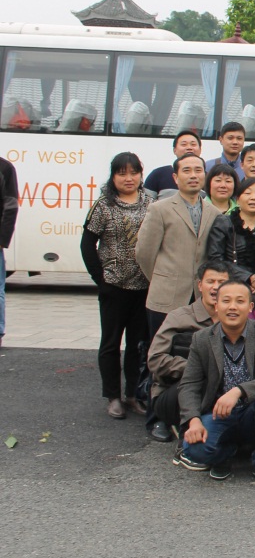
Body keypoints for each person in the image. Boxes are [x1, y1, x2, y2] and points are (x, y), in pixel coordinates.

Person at [174, 280, 255, 487]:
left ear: (250, 307)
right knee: (194, 450)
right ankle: (225, 454)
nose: (233, 307)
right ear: (216, 306)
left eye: (240, 301)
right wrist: (193, 420)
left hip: (254, 410)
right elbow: (189, 384)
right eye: (226, 301)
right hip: (219, 414)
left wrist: (239, 391)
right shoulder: (201, 339)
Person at [81, 152, 154, 419]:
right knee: (111, 344)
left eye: (133, 173)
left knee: (137, 345)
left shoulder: (151, 204)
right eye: (122, 173)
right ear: (113, 176)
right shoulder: (103, 205)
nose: (128, 178)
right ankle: (113, 397)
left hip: (143, 286)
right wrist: (100, 279)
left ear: (140, 175)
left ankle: (133, 394)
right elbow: (87, 244)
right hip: (113, 286)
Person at [136, 154, 223, 341]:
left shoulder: (214, 213)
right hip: (166, 297)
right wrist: (162, 278)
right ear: (175, 177)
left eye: (198, 170)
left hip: (200, 298)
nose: (193, 175)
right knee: (162, 349)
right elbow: (144, 253)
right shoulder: (160, 209)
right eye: (187, 170)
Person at [146, 262, 229, 442]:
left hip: (220, 394)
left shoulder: (234, 320)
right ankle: (187, 436)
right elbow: (155, 359)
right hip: (174, 393)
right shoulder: (179, 318)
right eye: (210, 281)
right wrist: (196, 368)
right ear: (199, 285)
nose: (215, 287)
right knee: (208, 374)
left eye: (221, 282)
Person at [206, 178, 255, 293]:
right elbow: (215, 258)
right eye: (248, 193)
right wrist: (249, 278)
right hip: (229, 284)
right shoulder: (224, 223)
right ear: (238, 199)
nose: (253, 197)